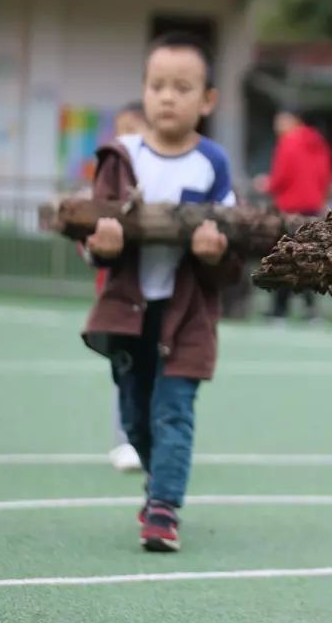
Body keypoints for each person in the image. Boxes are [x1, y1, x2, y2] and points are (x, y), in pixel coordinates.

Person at [81, 32, 241, 552]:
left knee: (173, 409)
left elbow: (233, 244)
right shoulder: (121, 156)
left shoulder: (212, 164)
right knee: (134, 415)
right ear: (143, 92)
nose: (167, 97)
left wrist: (215, 251)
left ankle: (164, 509)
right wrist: (102, 244)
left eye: (182, 86)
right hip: (127, 313)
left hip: (185, 315)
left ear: (208, 100)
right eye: (157, 85)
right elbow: (90, 232)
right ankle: (156, 486)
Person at [253, 107, 332, 322]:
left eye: (280, 120)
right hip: (312, 208)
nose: (276, 125)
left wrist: (266, 184)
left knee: (284, 257)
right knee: (308, 257)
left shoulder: (288, 141)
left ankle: (279, 310)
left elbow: (281, 177)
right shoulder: (318, 142)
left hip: (290, 209)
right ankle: (311, 311)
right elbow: (326, 176)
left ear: (293, 120)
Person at [106, 101, 148, 473]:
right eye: (119, 129)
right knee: (124, 368)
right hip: (119, 296)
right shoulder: (109, 177)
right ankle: (124, 439)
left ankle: (150, 440)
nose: (124, 138)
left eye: (131, 128)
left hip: (159, 298)